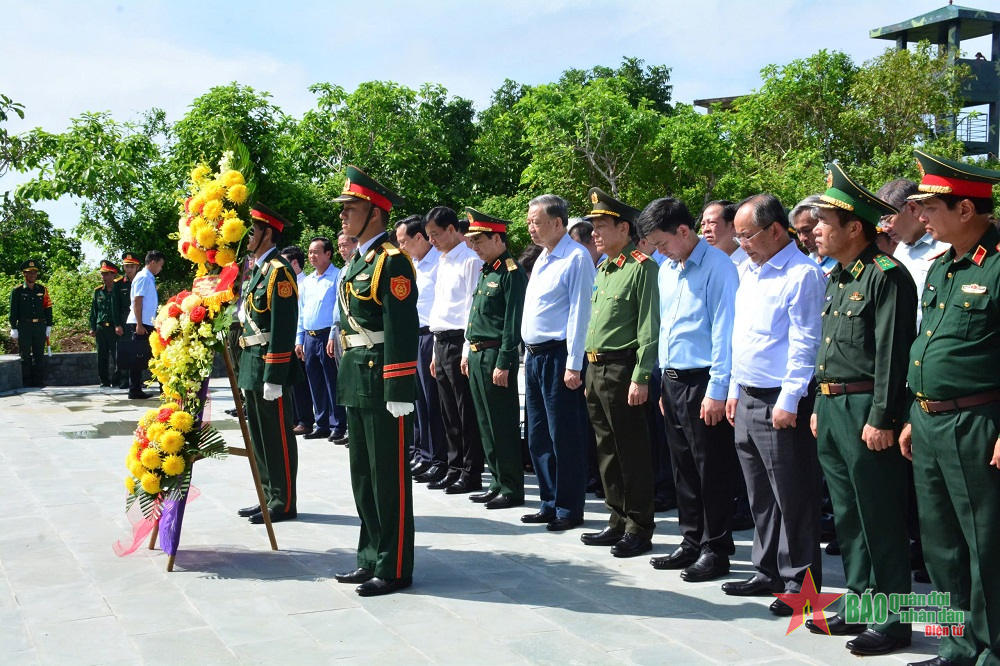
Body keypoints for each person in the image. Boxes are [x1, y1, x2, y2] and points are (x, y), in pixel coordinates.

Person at [808, 164, 916, 656]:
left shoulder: (885, 277)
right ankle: (859, 599)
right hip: (832, 407)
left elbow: (893, 355)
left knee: (880, 515)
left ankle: (892, 619)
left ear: (856, 228)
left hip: (866, 409)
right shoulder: (837, 276)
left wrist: (883, 417)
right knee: (849, 513)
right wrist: (817, 402)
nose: (815, 230)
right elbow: (828, 348)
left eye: (825, 222)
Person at [899, 150, 1000, 666]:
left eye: (931, 208)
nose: (921, 216)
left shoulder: (998, 266)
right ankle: (956, 645)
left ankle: (991, 650)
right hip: (930, 418)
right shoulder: (942, 267)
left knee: (984, 543)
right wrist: (913, 415)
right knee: (939, 542)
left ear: (966, 210)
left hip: (977, 421)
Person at [723, 194, 825, 617]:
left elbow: (806, 343)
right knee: (759, 494)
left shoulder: (802, 275)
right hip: (746, 394)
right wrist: (732, 388)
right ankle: (766, 570)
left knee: (793, 497)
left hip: (780, 402)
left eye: (747, 235)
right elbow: (741, 336)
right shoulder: (748, 270)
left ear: (776, 231)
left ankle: (801, 583)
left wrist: (790, 398)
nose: (741, 243)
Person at [638, 198, 741, 583]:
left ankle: (716, 549)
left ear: (684, 231)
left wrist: (717, 389)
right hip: (673, 379)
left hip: (704, 381)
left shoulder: (719, 268)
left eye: (662, 243)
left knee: (710, 468)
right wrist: (663, 380)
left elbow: (724, 331)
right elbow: (666, 329)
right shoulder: (668, 269)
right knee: (682, 467)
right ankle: (691, 539)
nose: (659, 251)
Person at [330, 165, 418, 597]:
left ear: (375, 213)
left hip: (383, 383)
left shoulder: (392, 262)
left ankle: (395, 565)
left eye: (352, 207)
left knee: (388, 477)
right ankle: (369, 557)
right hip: (357, 379)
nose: (344, 215)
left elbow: (401, 329)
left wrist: (400, 389)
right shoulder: (358, 262)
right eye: (344, 208)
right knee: (363, 475)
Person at [579, 187, 659, 558]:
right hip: (595, 368)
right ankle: (616, 518)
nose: (594, 231)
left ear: (624, 228)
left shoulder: (642, 267)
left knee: (631, 451)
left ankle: (639, 526)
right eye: (592, 224)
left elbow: (648, 327)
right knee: (606, 449)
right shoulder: (604, 268)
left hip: (622, 368)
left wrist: (641, 376)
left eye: (601, 225)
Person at [520, 194, 595, 531]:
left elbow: (581, 313)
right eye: (529, 221)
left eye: (536, 221)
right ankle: (548, 500)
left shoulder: (576, 258)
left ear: (557, 223)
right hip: (534, 357)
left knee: (563, 434)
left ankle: (568, 507)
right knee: (537, 435)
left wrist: (574, 363)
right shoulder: (543, 257)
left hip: (558, 355)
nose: (530, 227)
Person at [235, 203, 301, 525]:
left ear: (268, 233)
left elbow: (285, 328)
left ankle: (284, 500)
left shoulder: (279, 271)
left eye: (253, 229)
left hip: (268, 366)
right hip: (251, 363)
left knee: (276, 436)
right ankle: (267, 495)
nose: (248, 235)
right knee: (258, 437)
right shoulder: (258, 271)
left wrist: (274, 374)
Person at [462, 207, 528, 509]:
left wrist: (504, 361)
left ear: (498, 238)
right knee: (485, 423)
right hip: (477, 353)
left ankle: (512, 487)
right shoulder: (487, 270)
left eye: (479, 241)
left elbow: (511, 323)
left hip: (494, 355)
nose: (474, 247)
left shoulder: (511, 272)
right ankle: (496, 481)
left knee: (502, 423)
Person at [418, 206, 484, 492]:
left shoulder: (470, 260)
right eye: (428, 235)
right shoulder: (442, 262)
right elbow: (438, 308)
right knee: (447, 411)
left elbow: (472, 308)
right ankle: (454, 466)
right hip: (441, 340)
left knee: (464, 410)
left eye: (435, 234)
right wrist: (434, 350)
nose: (432, 240)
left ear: (451, 230)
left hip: (460, 341)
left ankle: (471, 471)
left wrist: (468, 348)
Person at [394, 215, 445, 477]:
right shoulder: (411, 265)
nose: (400, 247)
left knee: (432, 401)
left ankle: (437, 458)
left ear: (419, 237)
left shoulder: (438, 263)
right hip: (413, 336)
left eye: (404, 241)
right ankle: (421, 452)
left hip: (430, 336)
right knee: (417, 401)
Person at [295, 237, 348, 443]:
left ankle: (338, 424)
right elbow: (302, 312)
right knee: (315, 382)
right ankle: (322, 423)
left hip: (328, 335)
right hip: (310, 336)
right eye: (309, 252)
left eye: (316, 252)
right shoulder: (308, 281)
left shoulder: (336, 276)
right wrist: (299, 339)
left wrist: (335, 335)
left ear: (328, 254)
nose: (312, 256)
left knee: (331, 380)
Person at [876, 179, 950, 320]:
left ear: (913, 208)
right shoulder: (899, 250)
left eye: (888, 219)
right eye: (881, 222)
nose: (884, 228)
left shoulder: (947, 247)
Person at [280, 246, 315, 438]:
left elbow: (302, 314)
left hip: (301, 338)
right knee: (291, 381)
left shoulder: (304, 283)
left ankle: (305, 420)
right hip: (292, 337)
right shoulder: (286, 281)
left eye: (285, 263)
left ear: (294, 263)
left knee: (301, 383)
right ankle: (293, 418)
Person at [126, 250, 165, 400]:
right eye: (160, 265)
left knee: (147, 355)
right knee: (138, 357)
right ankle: (134, 389)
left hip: (146, 322)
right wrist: (140, 324)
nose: (160, 269)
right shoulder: (143, 277)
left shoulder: (148, 278)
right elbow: (137, 301)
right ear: (153, 262)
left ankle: (137, 388)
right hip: (141, 323)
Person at [9, 259, 53, 388]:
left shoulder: (42, 289)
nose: (33, 275)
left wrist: (49, 324)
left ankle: (38, 381)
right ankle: (26, 381)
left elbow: (48, 307)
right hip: (25, 326)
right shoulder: (17, 291)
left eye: (34, 272)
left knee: (39, 354)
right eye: (30, 272)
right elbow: (13, 310)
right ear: (24, 274)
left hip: (39, 325)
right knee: (25, 355)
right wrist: (14, 327)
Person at [90, 260, 125, 388]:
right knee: (101, 356)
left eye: (106, 274)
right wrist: (92, 327)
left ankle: (117, 379)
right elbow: (94, 311)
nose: (104, 277)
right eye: (102, 274)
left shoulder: (118, 289)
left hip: (114, 327)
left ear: (113, 275)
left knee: (117, 355)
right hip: (101, 328)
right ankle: (104, 380)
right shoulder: (98, 291)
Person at [790, 196, 839, 276]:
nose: (802, 238)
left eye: (807, 230)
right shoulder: (805, 264)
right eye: (798, 232)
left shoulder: (845, 261)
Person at [115, 252, 141, 390]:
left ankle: (137, 380)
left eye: (132, 266)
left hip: (139, 318)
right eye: (127, 266)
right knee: (125, 350)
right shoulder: (118, 284)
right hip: (124, 318)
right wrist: (117, 324)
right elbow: (115, 305)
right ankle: (124, 379)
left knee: (138, 349)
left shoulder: (141, 280)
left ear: (137, 267)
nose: (129, 269)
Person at [700, 200, 748, 267]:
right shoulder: (705, 265)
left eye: (712, 222)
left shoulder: (751, 263)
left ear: (733, 225)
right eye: (703, 224)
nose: (705, 229)